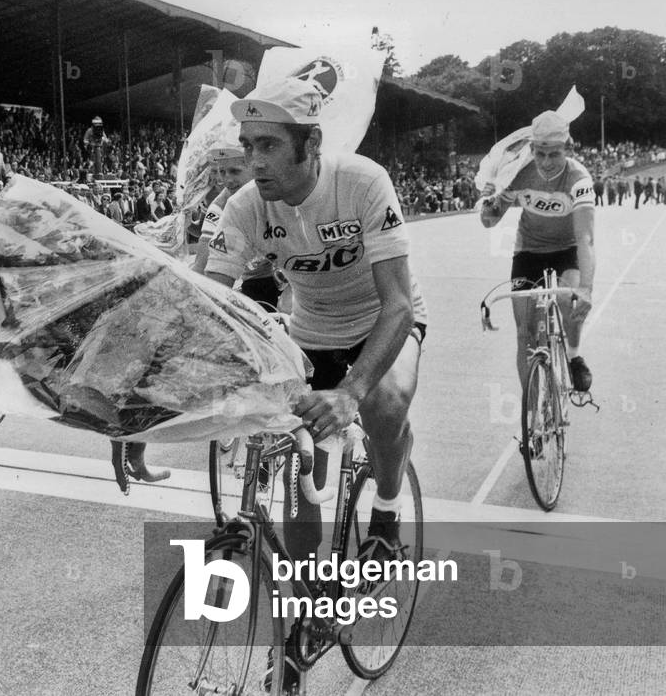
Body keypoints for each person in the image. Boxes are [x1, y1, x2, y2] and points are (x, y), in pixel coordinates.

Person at [205, 79, 427, 693]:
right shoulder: (247, 205)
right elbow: (213, 301)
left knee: (382, 400)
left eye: (269, 146)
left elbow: (400, 305)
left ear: (311, 143)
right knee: (302, 464)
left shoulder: (361, 181)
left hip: (381, 324)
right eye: (247, 145)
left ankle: (385, 514)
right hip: (310, 332)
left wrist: (350, 391)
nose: (253, 161)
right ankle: (304, 614)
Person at [480, 110, 595, 395]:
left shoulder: (578, 179)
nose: (545, 162)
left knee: (566, 301)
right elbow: (489, 221)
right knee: (525, 335)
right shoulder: (518, 173)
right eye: (540, 153)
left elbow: (585, 239)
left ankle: (573, 355)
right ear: (532, 149)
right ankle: (531, 413)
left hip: (567, 249)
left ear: (568, 149)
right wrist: (487, 200)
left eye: (554, 154)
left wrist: (586, 289)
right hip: (528, 251)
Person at [192, 145, 282, 310]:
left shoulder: (280, 190)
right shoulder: (219, 207)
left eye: (235, 171)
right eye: (222, 172)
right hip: (258, 280)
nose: (227, 180)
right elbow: (203, 264)